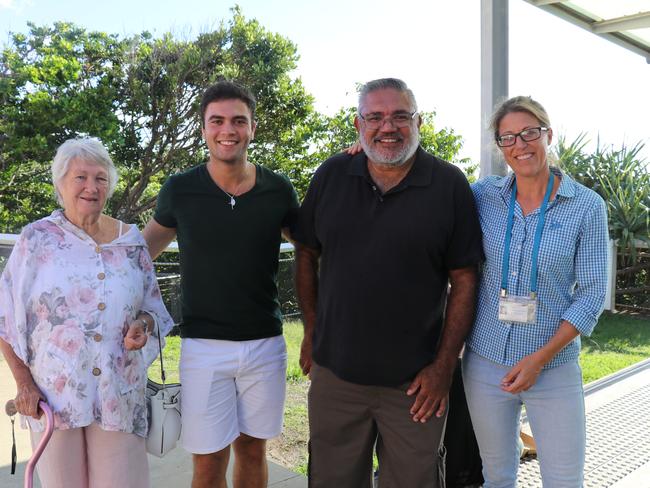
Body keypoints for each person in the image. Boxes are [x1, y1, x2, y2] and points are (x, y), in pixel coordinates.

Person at [293, 77, 484, 488]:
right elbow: (306, 252)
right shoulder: (332, 174)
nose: (388, 127)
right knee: (331, 479)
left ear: (418, 122)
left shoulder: (449, 184)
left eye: (400, 116)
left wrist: (443, 367)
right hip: (336, 377)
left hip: (416, 386)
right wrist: (312, 331)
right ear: (359, 124)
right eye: (375, 117)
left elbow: (465, 278)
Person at [143, 80, 299, 488]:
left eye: (237, 120)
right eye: (217, 120)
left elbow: (315, 248)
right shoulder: (180, 189)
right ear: (203, 128)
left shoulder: (278, 189)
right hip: (203, 348)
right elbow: (140, 255)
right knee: (208, 460)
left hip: (265, 345)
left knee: (252, 449)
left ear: (252, 128)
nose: (227, 129)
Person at [0, 137, 174, 488]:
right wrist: (23, 384)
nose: (91, 187)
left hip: (118, 394)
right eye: (80, 177)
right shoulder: (37, 240)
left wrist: (141, 324)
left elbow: (153, 310)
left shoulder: (132, 242)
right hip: (52, 396)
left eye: (100, 178)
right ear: (60, 183)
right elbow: (4, 315)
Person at [462, 96, 609, 487]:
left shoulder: (586, 206)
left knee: (563, 479)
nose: (520, 145)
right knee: (497, 475)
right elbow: (430, 194)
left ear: (548, 134)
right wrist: (364, 153)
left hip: (553, 366)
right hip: (485, 361)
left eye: (530, 133)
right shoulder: (483, 196)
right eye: (508, 137)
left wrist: (539, 359)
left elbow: (593, 293)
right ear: (499, 146)